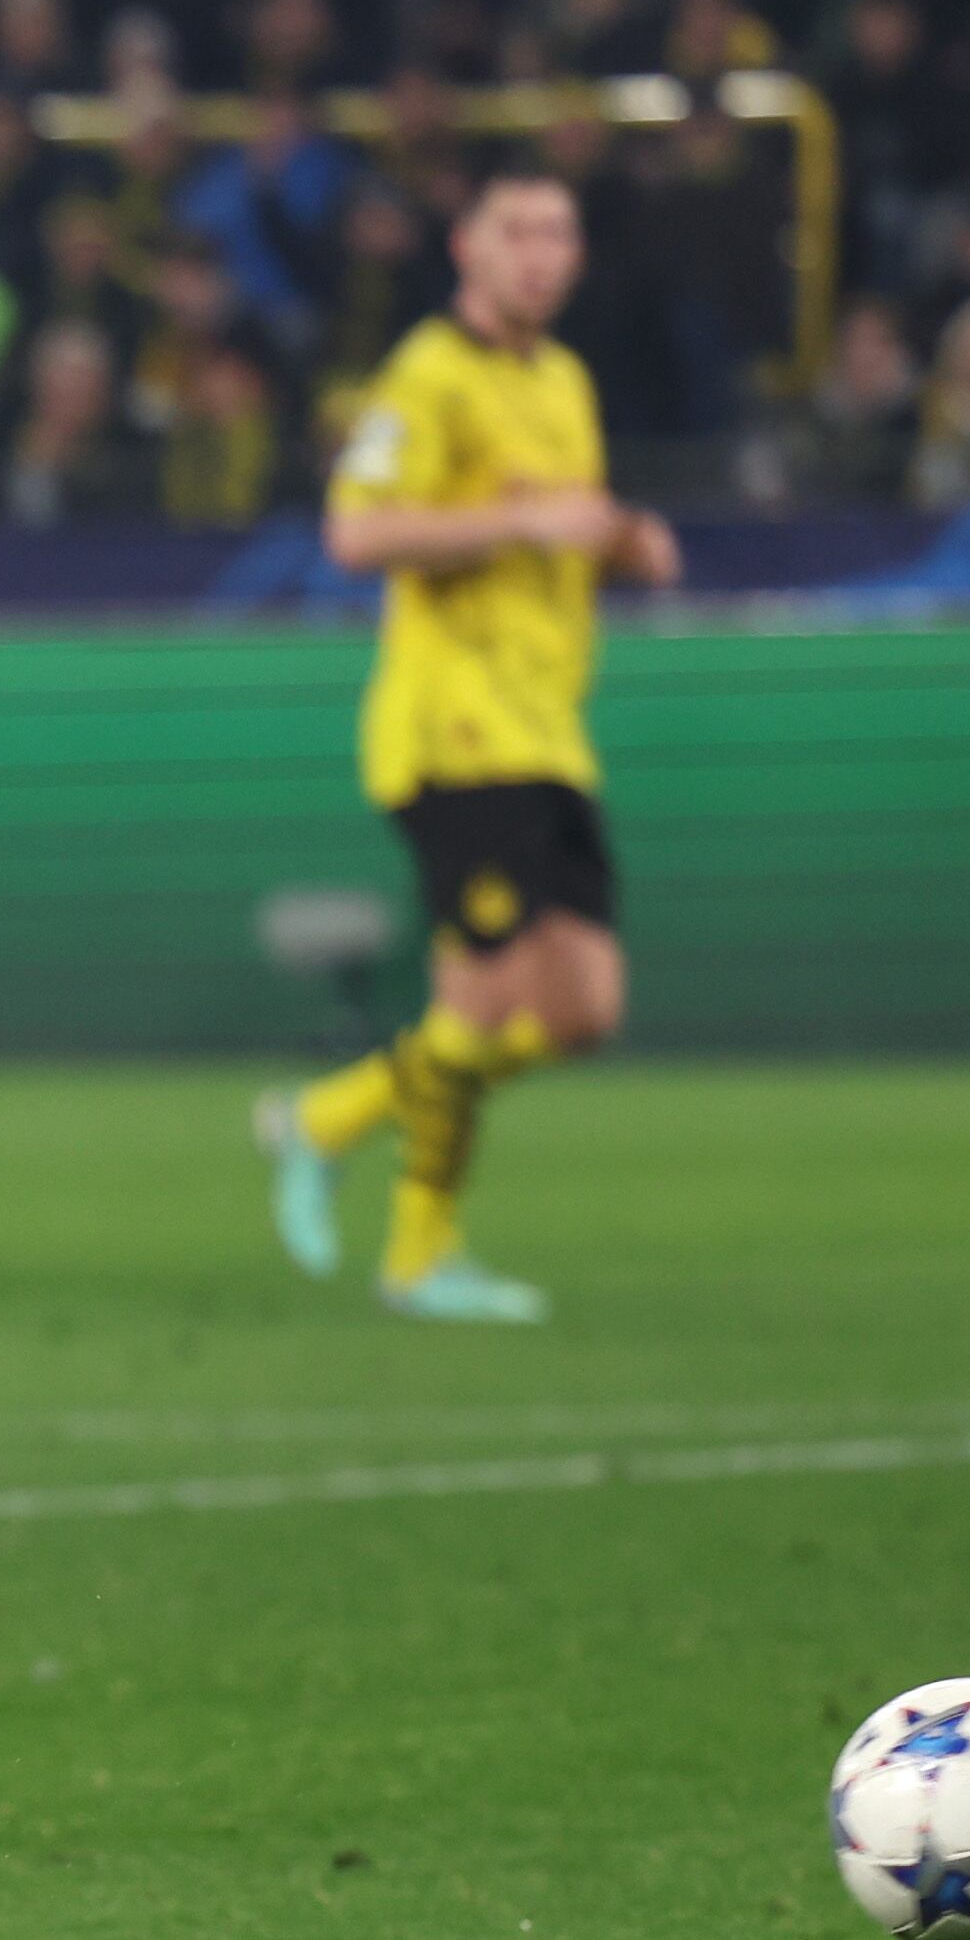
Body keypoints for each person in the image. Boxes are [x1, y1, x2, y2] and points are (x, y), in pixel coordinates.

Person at [258, 168, 681, 1322]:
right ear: (468, 250)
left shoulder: (566, 381)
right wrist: (519, 518)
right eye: (519, 233)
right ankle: (419, 1254)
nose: (542, 253)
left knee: (585, 1011)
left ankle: (326, 1118)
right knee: (485, 1000)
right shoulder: (426, 377)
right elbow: (354, 530)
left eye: (560, 231)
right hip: (454, 733)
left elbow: (563, 530)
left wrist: (624, 542)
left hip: (551, 733)